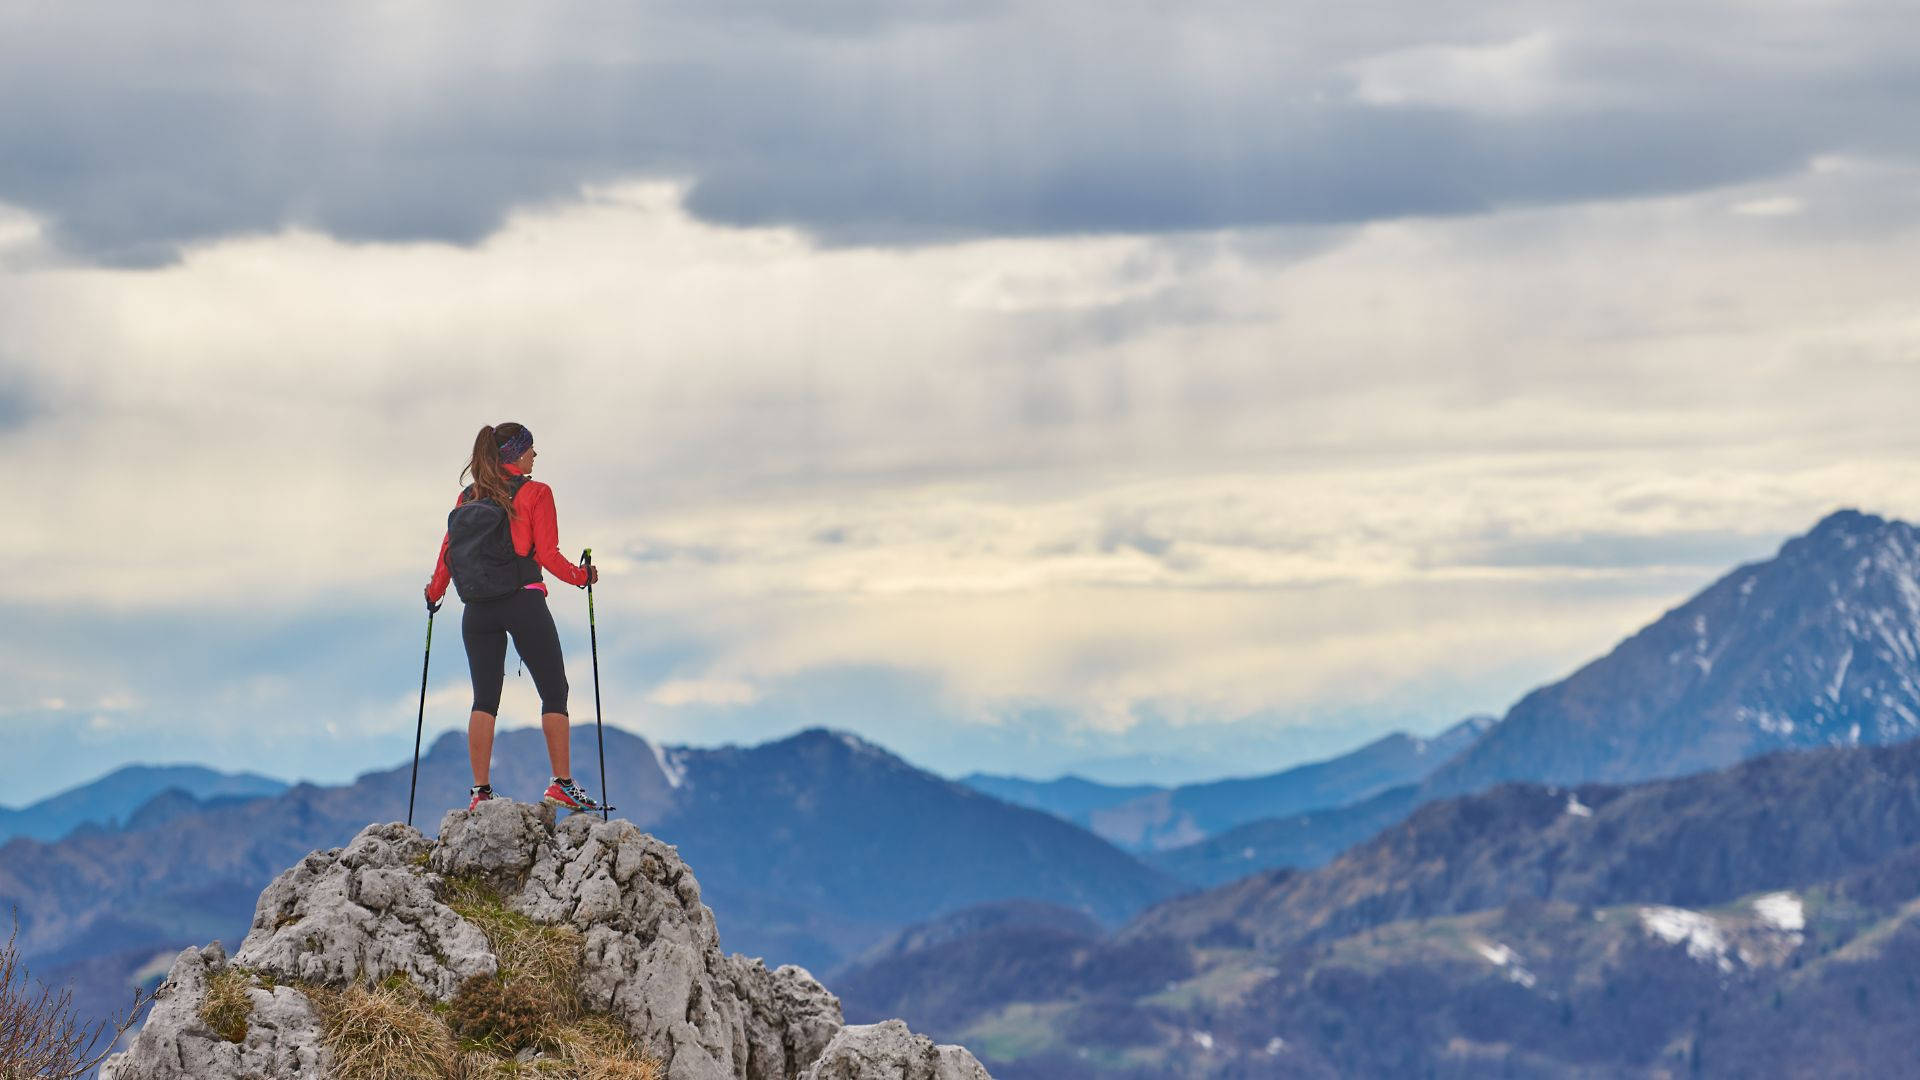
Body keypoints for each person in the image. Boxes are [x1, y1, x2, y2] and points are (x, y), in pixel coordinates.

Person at [425, 422, 605, 812]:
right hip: (523, 602)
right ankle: (561, 784)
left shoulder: (466, 499)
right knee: (554, 691)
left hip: (476, 610)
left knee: (484, 700)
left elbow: (447, 555)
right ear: (515, 454)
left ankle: (480, 793)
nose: (535, 456)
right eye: (531, 450)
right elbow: (546, 554)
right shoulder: (537, 493)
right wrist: (582, 577)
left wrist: (434, 593)